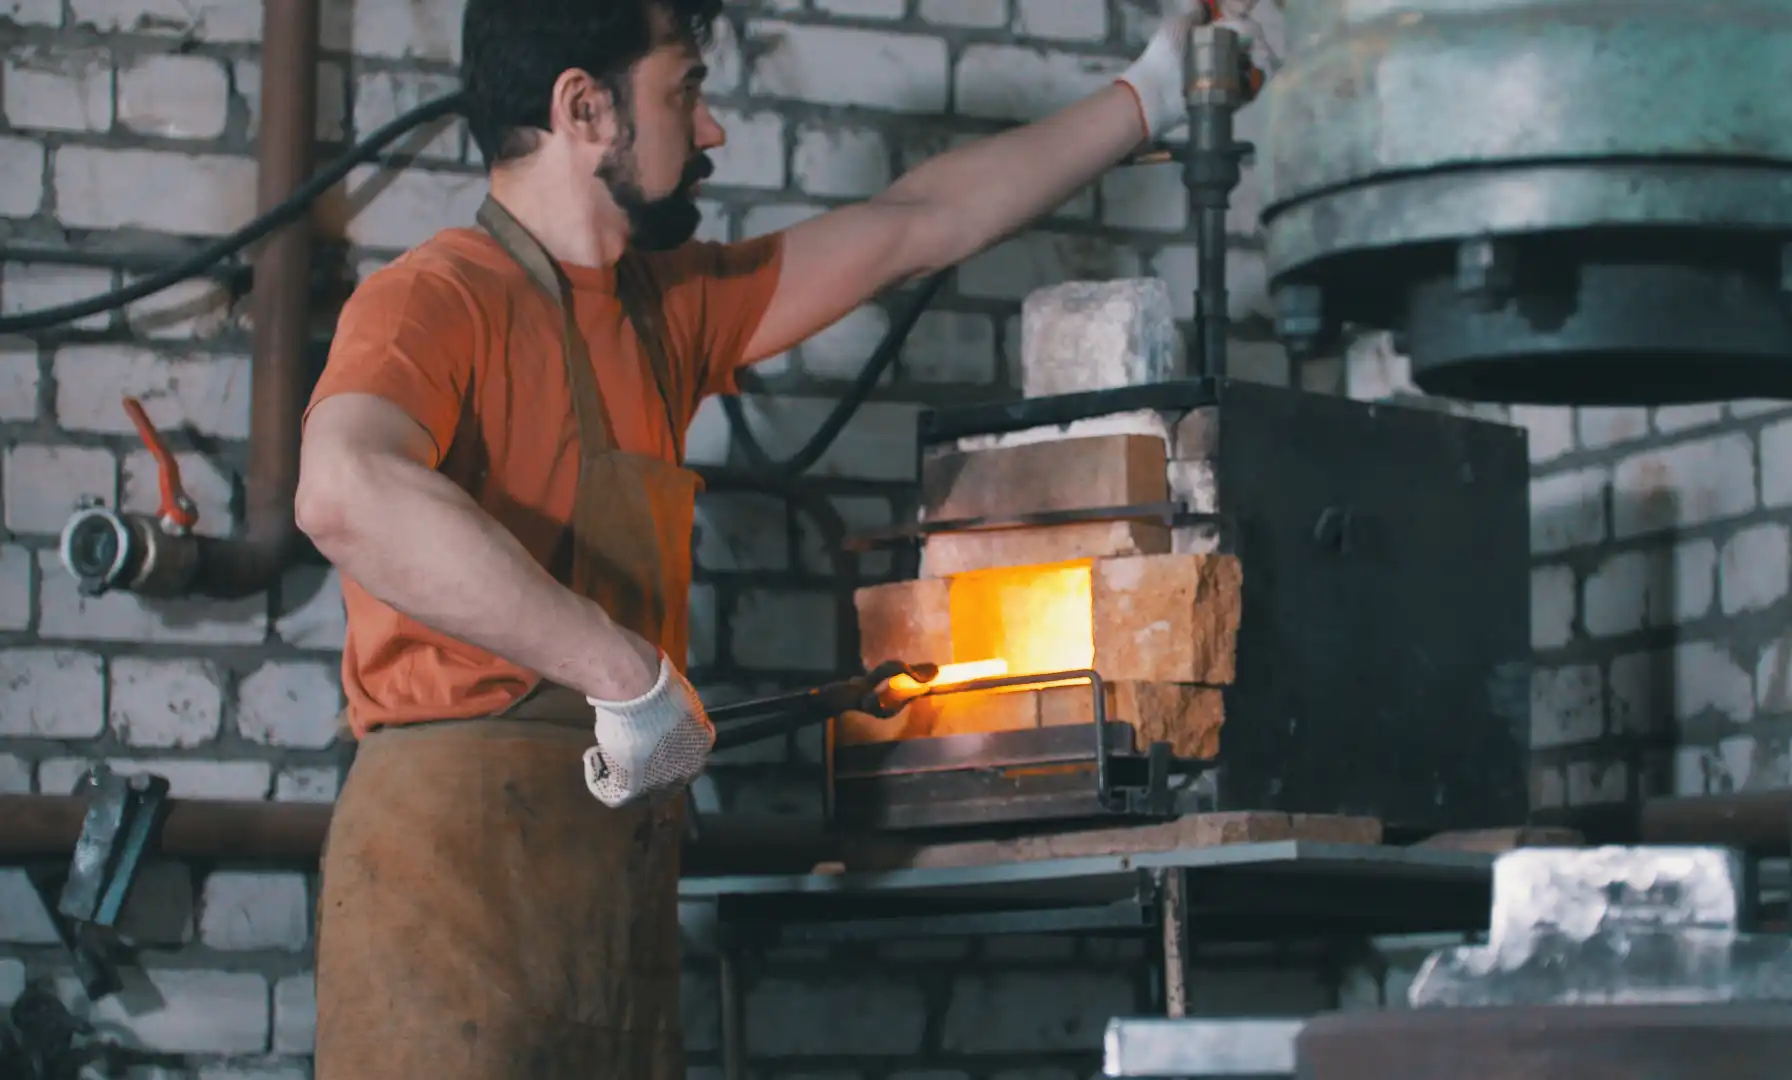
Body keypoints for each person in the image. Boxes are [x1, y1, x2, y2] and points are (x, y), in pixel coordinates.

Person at [292, 0, 1273, 1076]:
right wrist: (621, 673)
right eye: (686, 91)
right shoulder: (433, 301)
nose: (710, 130)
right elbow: (346, 491)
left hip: (609, 894)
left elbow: (921, 219)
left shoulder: (663, 314)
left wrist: (1151, 93)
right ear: (585, 109)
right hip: (449, 889)